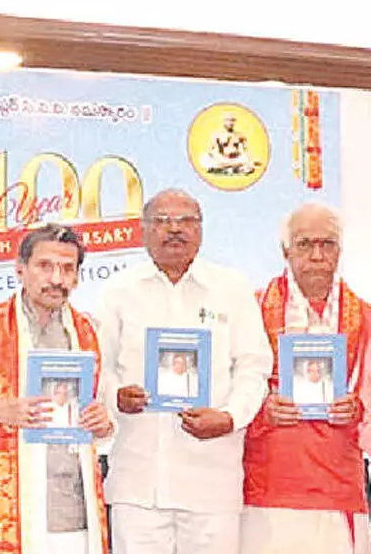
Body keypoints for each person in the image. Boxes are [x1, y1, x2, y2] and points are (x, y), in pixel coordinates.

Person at [97, 188, 272, 554]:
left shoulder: (232, 288)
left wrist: (229, 417)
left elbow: (254, 367)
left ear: (202, 229)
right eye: (162, 221)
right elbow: (99, 366)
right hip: (137, 481)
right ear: (143, 230)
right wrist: (115, 396)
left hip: (211, 478)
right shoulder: (118, 291)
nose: (174, 229)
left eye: (185, 221)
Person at [0, 224, 113, 554]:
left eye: (67, 269)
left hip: (72, 518)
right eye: (45, 266)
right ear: (20, 269)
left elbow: (105, 421)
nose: (57, 279)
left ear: (77, 277)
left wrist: (104, 424)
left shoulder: (92, 331)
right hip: (0, 512)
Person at [243, 203, 368, 554]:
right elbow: (224, 396)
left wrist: (357, 408)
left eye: (327, 244)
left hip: (339, 487)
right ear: (285, 251)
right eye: (305, 244)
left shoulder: (365, 318)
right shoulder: (250, 311)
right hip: (267, 488)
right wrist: (261, 407)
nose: (317, 255)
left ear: (340, 252)